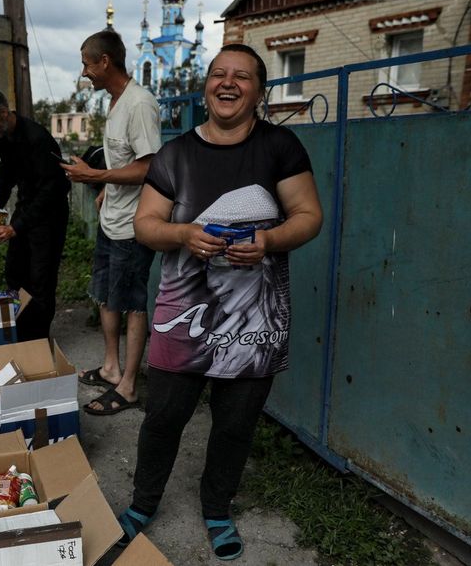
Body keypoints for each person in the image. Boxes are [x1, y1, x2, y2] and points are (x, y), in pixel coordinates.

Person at [115, 44, 323, 560]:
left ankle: (216, 509)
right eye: (218, 74)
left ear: (259, 91)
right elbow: (145, 225)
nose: (227, 84)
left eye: (242, 77)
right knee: (163, 416)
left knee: (235, 424)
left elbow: (308, 214)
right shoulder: (175, 154)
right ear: (206, 85)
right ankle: (143, 503)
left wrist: (270, 242)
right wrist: (184, 233)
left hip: (254, 317)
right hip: (184, 313)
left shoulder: (281, 147)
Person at [63, 30, 161, 416]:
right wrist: (106, 191)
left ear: (105, 61)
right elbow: (125, 162)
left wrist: (96, 178)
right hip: (112, 219)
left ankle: (129, 385)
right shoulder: (117, 101)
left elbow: (149, 167)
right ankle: (110, 367)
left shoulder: (139, 104)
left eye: (88, 63)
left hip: (133, 228)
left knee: (133, 304)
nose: (85, 72)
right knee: (105, 295)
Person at [0, 88, 71, 341]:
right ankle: (19, 330)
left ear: (3, 114)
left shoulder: (38, 139)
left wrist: (17, 226)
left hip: (49, 216)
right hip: (26, 211)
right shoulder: (5, 139)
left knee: (41, 279)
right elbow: (5, 177)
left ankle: (38, 340)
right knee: (14, 272)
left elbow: (53, 190)